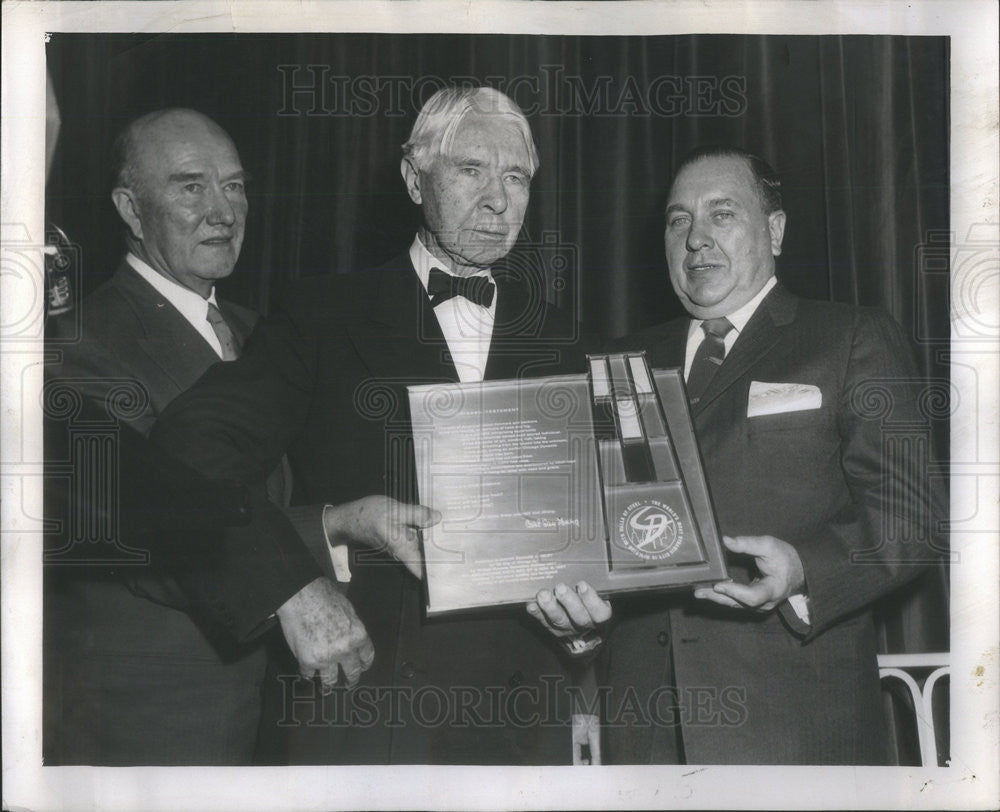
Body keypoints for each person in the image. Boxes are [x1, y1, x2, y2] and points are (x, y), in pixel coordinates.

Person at [150, 86, 595, 764]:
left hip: (521, 732)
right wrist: (291, 585)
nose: (499, 200)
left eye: (517, 177)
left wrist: (586, 629)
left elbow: (599, 549)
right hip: (365, 715)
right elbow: (190, 450)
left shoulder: (570, 342)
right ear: (415, 179)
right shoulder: (322, 316)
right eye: (472, 170)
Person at [530, 145, 944, 765]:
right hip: (645, 733)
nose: (696, 239)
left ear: (773, 230)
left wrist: (805, 568)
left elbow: (913, 516)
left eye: (721, 214)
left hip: (798, 727)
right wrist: (582, 622)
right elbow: (592, 540)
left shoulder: (851, 336)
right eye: (678, 220)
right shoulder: (617, 364)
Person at [43, 108, 419, 765]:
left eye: (235, 186)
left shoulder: (263, 332)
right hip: (149, 726)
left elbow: (250, 510)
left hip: (274, 713)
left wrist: (338, 522)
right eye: (191, 186)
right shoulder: (76, 344)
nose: (222, 210)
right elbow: (149, 525)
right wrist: (288, 588)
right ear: (131, 210)